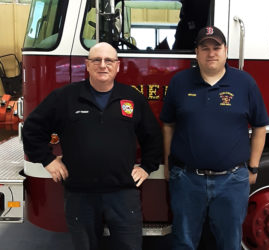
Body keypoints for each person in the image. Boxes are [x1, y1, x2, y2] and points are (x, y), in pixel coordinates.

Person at [22, 42, 163, 250]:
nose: (103, 65)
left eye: (109, 61)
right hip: (80, 195)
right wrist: (47, 159)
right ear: (87, 65)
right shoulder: (65, 98)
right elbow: (32, 129)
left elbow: (153, 136)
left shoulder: (132, 99)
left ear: (117, 66)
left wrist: (147, 167)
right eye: (96, 60)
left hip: (123, 195)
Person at [160, 26, 269, 250]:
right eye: (205, 48)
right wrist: (169, 164)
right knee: (183, 242)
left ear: (226, 51)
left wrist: (254, 168)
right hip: (187, 179)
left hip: (232, 181)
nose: (211, 53)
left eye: (216, 47)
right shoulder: (179, 82)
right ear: (196, 52)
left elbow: (260, 127)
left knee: (229, 243)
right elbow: (168, 125)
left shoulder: (245, 83)